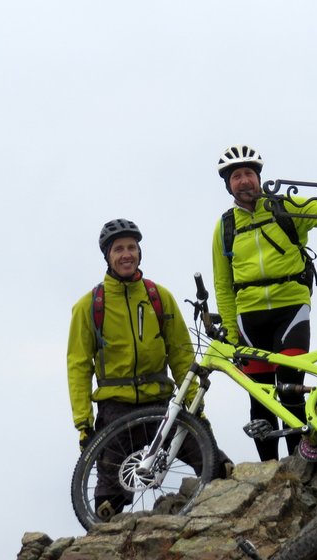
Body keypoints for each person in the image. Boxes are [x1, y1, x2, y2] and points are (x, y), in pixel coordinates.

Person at [211, 143, 317, 462]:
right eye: (236, 176)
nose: (244, 180)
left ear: (259, 178)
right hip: (249, 319)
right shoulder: (226, 227)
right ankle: (269, 470)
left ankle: (299, 465)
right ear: (228, 185)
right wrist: (232, 333)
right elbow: (223, 284)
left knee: (290, 390)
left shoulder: (284, 207)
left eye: (249, 173)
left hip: (290, 309)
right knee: (260, 399)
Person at [67, 218, 202, 520]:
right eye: (118, 249)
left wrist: (195, 404)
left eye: (132, 248)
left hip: (161, 401)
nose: (126, 254)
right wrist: (83, 424)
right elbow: (77, 367)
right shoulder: (89, 306)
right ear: (108, 256)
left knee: (212, 460)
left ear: (139, 253)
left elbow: (181, 354)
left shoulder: (159, 296)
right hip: (115, 408)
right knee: (106, 498)